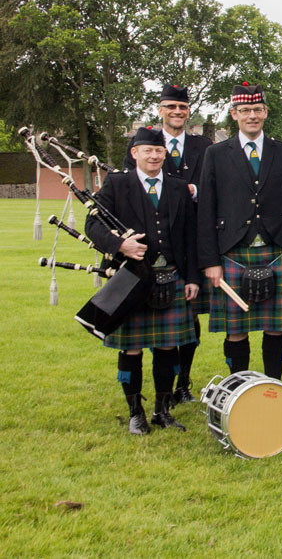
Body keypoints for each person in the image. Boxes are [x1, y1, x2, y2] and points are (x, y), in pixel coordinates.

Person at [88, 127, 199, 434]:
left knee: (167, 347)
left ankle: (161, 410)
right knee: (132, 349)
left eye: (159, 151)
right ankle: (135, 412)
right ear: (135, 153)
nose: (153, 156)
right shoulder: (117, 183)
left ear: (165, 154)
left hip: (171, 276)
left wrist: (192, 278)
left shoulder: (178, 188)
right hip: (132, 279)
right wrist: (119, 246)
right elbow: (92, 224)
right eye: (147, 151)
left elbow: (190, 237)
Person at [198, 82, 282, 379]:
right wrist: (211, 261)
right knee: (236, 329)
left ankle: (273, 386)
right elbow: (206, 209)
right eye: (245, 110)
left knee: (276, 326)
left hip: (276, 250)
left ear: (266, 112)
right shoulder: (216, 154)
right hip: (232, 251)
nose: (252, 116)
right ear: (234, 114)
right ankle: (238, 386)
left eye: (257, 109)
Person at [122, 84, 212, 405]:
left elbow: (210, 186)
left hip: (191, 241)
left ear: (188, 111)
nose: (177, 112)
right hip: (151, 246)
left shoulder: (204, 145)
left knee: (188, 322)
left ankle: (182, 383)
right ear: (161, 110)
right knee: (150, 331)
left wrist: (193, 191)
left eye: (182, 107)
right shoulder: (144, 143)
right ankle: (155, 393)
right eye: (171, 107)